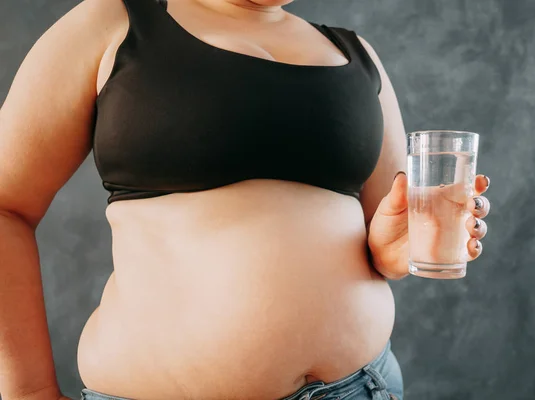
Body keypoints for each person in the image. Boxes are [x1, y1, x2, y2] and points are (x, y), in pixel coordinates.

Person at [0, 0, 492, 399]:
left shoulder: (358, 55)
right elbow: (5, 206)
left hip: (360, 386)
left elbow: (386, 243)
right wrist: (29, 392)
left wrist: (399, 246)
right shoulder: (114, 23)